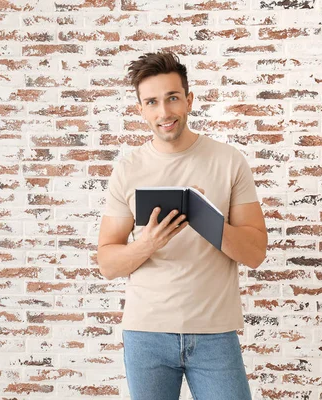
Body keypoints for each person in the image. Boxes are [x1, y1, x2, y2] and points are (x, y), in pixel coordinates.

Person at [97, 52, 268, 400]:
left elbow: (255, 253)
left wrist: (204, 218)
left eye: (173, 98)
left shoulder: (229, 161)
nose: (164, 112)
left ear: (188, 100)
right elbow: (107, 263)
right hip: (146, 335)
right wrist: (148, 243)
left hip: (215, 333)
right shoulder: (128, 170)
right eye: (152, 102)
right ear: (141, 109)